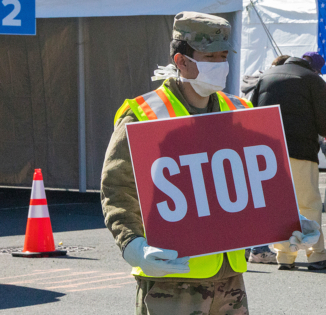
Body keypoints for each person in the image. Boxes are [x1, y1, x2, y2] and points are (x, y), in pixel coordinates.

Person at [101, 12, 254, 315]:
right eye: (211, 56)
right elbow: (117, 188)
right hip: (171, 279)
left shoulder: (239, 110)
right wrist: (132, 245)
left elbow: (256, 179)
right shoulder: (144, 114)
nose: (221, 65)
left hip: (229, 278)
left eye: (224, 56)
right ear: (181, 60)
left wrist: (288, 220)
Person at [251, 52, 326, 270]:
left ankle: (284, 257)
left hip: (269, 153)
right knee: (308, 204)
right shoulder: (313, 80)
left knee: (281, 206)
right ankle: (316, 255)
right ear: (315, 68)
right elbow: (325, 125)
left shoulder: (266, 76)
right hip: (300, 149)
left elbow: (251, 112)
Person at [240, 54, 291, 264]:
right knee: (262, 202)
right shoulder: (278, 84)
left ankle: (247, 248)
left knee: (252, 202)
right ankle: (258, 249)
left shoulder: (257, 82)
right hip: (264, 147)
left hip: (248, 145)